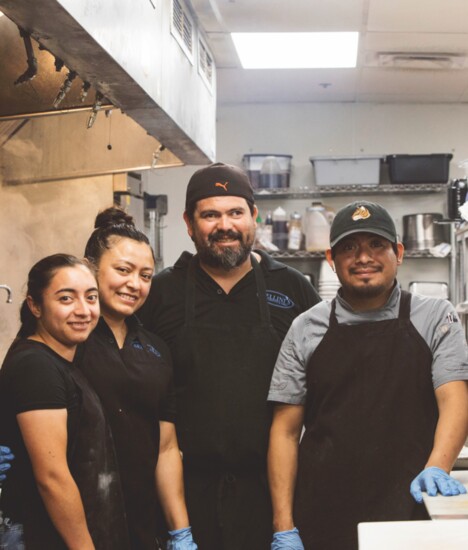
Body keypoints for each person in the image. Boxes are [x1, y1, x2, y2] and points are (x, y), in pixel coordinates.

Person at [138, 162, 321, 550]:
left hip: (274, 494)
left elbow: (331, 380)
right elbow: (123, 377)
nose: (225, 224)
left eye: (235, 212)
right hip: (183, 495)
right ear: (190, 223)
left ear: (253, 216)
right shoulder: (159, 293)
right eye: (210, 215)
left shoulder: (293, 288)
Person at [267, 200, 468, 550]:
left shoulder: (436, 316)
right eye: (349, 247)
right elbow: (284, 432)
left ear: (398, 252)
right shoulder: (305, 327)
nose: (363, 257)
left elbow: (455, 399)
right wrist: (283, 526)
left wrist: (437, 467)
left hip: (411, 508)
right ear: (331, 259)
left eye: (376, 244)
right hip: (323, 514)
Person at [81, 207, 197, 550]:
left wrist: (181, 531)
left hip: (143, 526)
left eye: (146, 275)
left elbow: (166, 447)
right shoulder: (69, 339)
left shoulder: (155, 349)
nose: (135, 284)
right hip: (77, 526)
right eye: (123, 270)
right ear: (90, 268)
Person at [0, 253, 122, 549]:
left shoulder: (62, 359)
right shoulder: (36, 366)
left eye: (91, 298)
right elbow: (52, 477)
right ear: (35, 305)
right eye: (66, 299)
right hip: (36, 534)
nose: (83, 310)